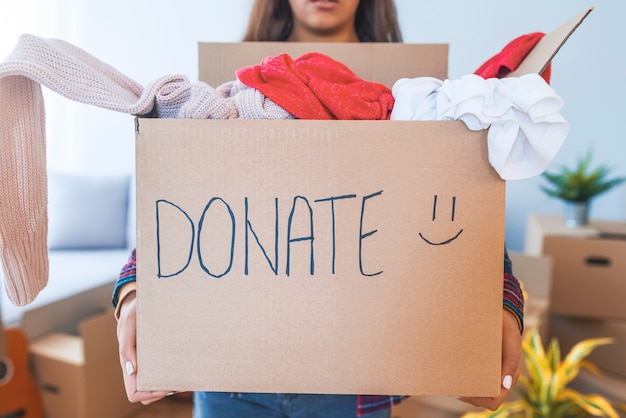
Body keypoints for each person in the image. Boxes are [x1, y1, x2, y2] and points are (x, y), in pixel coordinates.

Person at [113, 1, 524, 417]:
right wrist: (133, 290)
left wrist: (503, 299)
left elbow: (455, 203)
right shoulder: (227, 91)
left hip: (356, 383)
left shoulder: (416, 93)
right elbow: (183, 202)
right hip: (232, 376)